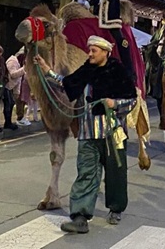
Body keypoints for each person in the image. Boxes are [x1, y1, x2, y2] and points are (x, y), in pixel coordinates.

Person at [34, 35, 137, 234]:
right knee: (86, 174)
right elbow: (67, 83)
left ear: (105, 52)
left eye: (94, 51)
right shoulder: (86, 70)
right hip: (88, 133)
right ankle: (80, 217)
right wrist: (47, 70)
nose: (89, 53)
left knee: (115, 174)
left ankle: (116, 208)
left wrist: (115, 104)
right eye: (89, 50)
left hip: (111, 133)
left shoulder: (118, 71)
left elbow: (132, 100)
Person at [74, 0, 135, 81]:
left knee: (122, 41)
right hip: (86, 15)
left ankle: (129, 73)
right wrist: (82, 3)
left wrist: (94, 8)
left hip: (108, 17)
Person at [2, 48, 26, 129]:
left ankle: (8, 122)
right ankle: (7, 122)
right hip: (6, 86)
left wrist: (17, 92)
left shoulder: (19, 63)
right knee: (8, 104)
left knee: (11, 103)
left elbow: (18, 79)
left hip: (11, 86)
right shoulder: (12, 61)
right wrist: (24, 69)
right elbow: (13, 74)